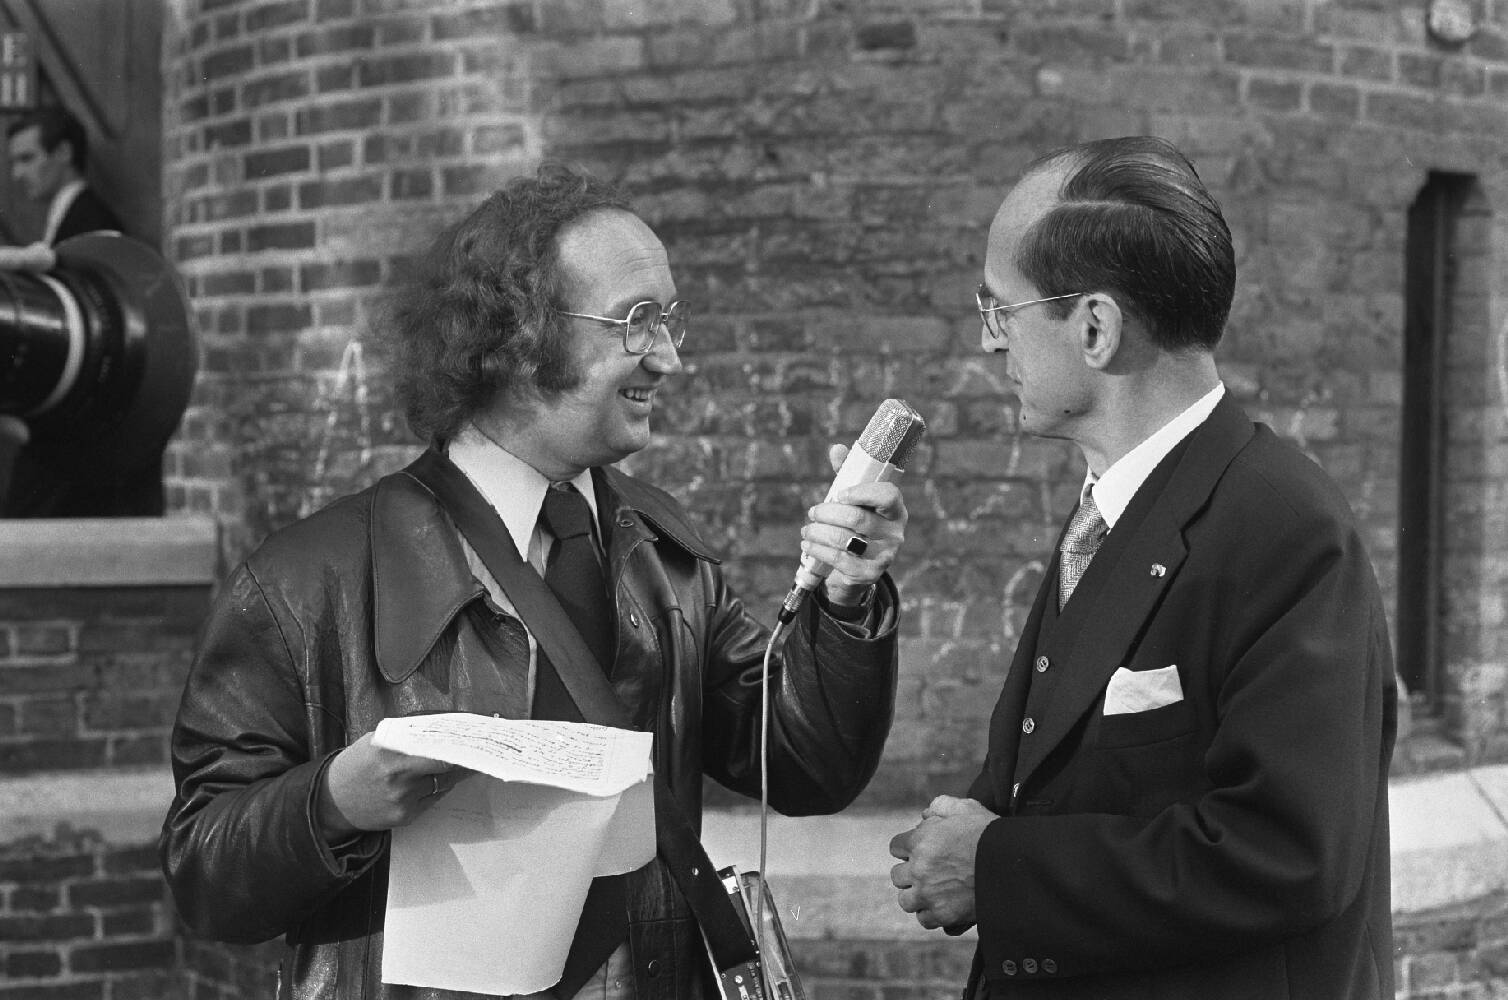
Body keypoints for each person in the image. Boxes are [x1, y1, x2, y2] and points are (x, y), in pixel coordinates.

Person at [160, 162, 908, 1000]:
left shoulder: (667, 555)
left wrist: (844, 604)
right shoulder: (302, 582)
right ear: (520, 339)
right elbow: (203, 874)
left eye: (669, 320)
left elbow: (806, 766)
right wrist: (335, 802)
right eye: (635, 321)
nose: (667, 357)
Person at [888, 136, 1395, 999]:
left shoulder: (1285, 528)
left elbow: (1290, 852)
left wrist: (998, 867)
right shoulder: (1114, 503)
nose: (989, 342)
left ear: (1094, 326)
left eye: (1000, 310)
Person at [0, 105, 123, 271]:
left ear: (63, 152)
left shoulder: (92, 221)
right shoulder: (70, 212)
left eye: (27, 158)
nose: (17, 174)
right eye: (14, 162)